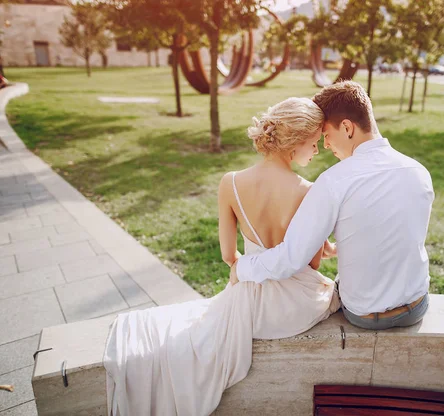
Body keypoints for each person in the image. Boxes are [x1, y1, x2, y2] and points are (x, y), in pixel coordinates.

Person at [103, 97, 340, 416]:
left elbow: (230, 256)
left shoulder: (230, 182)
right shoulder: (307, 190)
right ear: (294, 142)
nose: (317, 150)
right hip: (292, 304)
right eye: (313, 143)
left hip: (247, 300)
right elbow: (310, 264)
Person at [230, 81, 435, 331]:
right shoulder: (419, 172)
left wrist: (242, 267)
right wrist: (343, 248)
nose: (325, 146)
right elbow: (399, 233)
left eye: (326, 135)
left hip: (363, 314)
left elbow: (291, 258)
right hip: (416, 306)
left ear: (347, 128)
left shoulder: (334, 180)